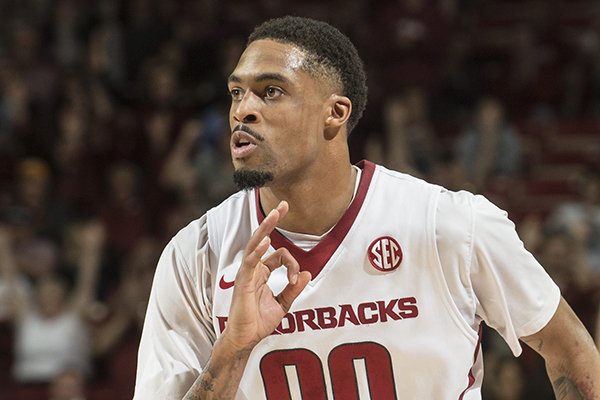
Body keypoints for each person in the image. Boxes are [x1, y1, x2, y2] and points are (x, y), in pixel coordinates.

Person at [134, 16, 600, 400]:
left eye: (270, 91)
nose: (243, 111)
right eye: (237, 92)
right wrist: (231, 352)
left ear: (335, 114)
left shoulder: (450, 226)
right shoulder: (196, 255)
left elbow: (571, 352)